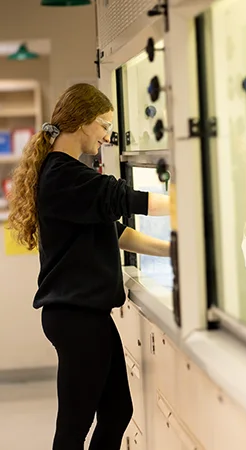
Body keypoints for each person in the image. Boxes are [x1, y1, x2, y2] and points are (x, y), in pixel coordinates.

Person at [7, 83, 171, 450]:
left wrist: (172, 250)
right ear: (81, 122)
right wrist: (185, 201)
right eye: (103, 125)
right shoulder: (63, 175)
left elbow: (115, 232)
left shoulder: (67, 176)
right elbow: (123, 199)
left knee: (117, 412)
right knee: (73, 427)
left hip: (83, 316)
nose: (107, 135)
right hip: (76, 318)